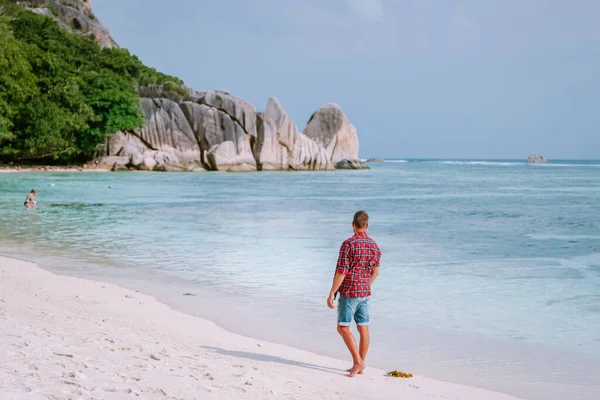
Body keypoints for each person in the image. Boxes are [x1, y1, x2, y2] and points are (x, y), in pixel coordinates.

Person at [327, 210, 381, 377]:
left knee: (342, 327)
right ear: (366, 226)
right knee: (363, 327)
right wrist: (365, 284)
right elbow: (376, 272)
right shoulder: (374, 245)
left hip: (350, 292)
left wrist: (332, 292)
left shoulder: (348, 244)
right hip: (365, 292)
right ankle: (360, 363)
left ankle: (358, 362)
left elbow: (342, 271)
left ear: (353, 225)